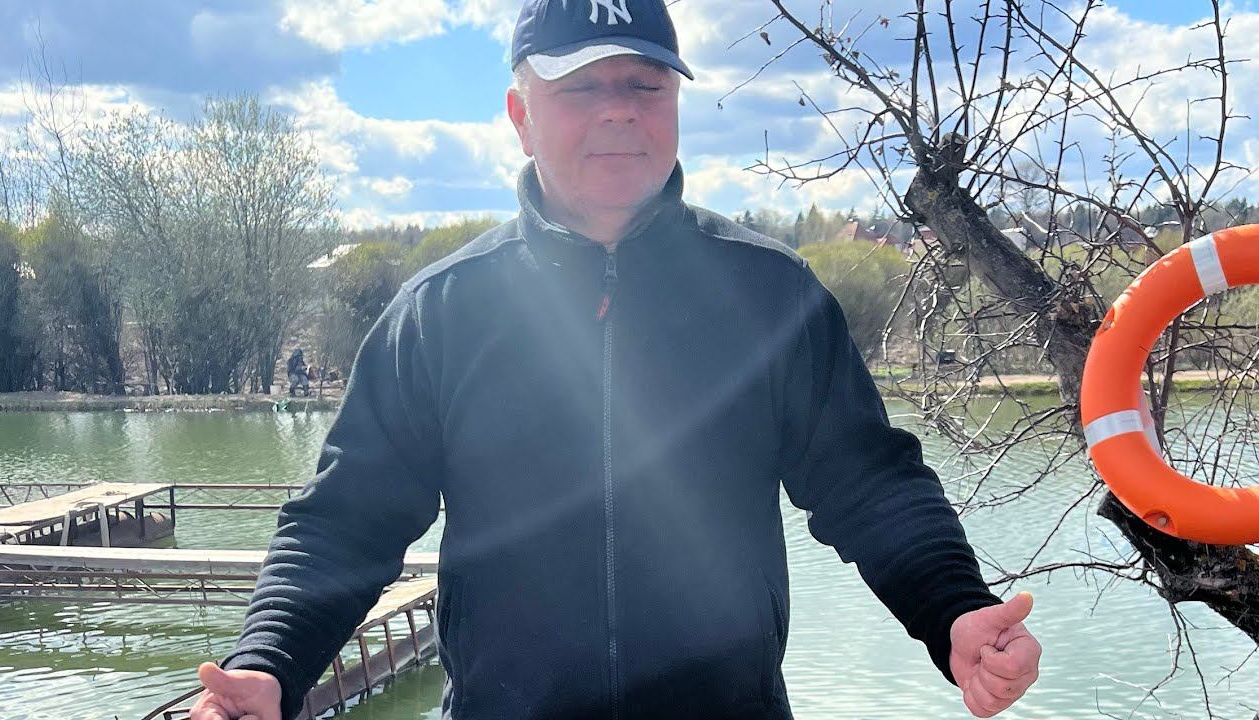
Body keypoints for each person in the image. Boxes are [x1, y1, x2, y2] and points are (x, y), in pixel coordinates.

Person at [191, 1, 1042, 719]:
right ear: (520, 115)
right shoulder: (439, 312)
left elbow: (872, 485)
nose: (619, 111)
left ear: (675, 103)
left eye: (645, 85)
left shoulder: (772, 296)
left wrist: (954, 609)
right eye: (581, 87)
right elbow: (345, 521)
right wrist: (269, 663)